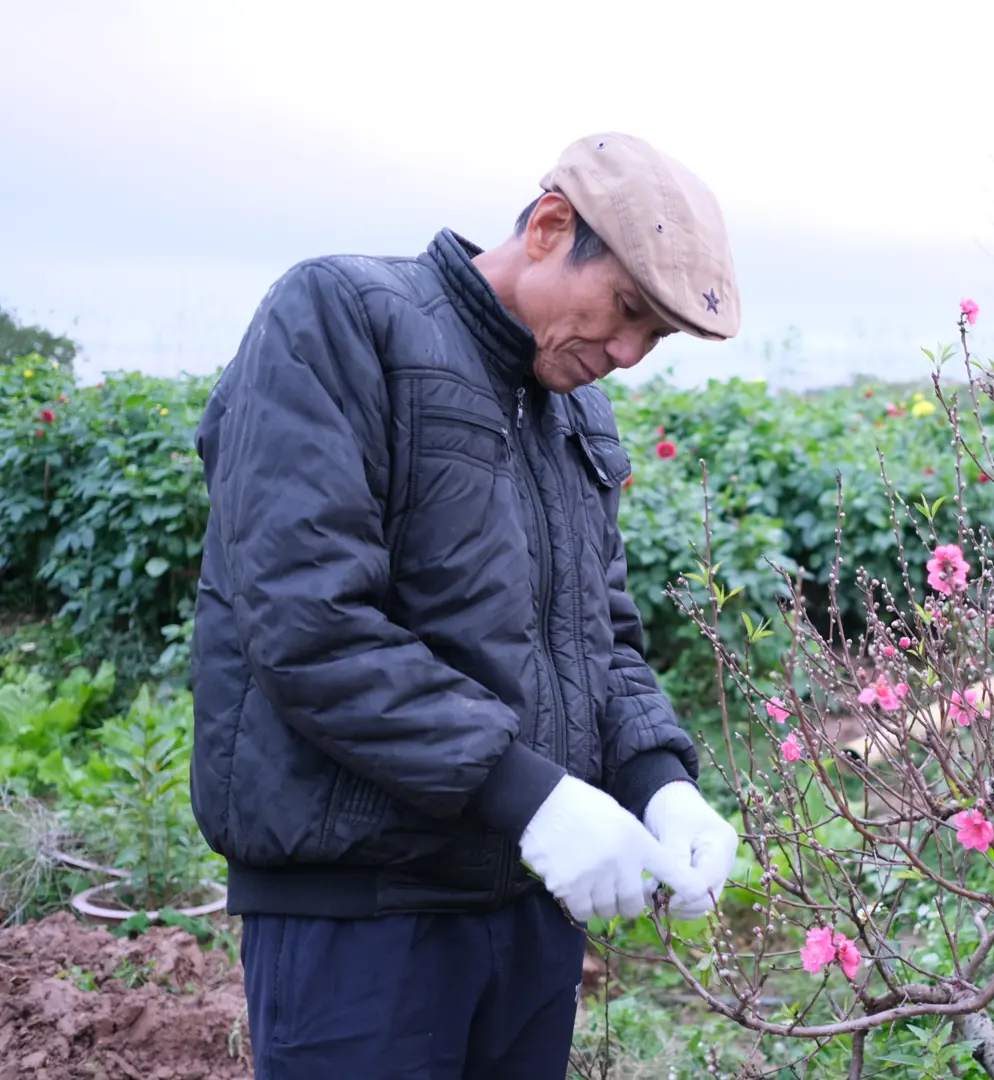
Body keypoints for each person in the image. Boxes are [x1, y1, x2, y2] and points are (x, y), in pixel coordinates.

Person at [188, 132, 742, 1079]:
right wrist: (532, 797)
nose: (627, 353)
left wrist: (658, 777)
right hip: (365, 912)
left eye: (654, 336)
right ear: (550, 226)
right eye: (625, 311)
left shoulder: (574, 410)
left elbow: (600, 635)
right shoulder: (343, 319)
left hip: (525, 906)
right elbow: (309, 623)